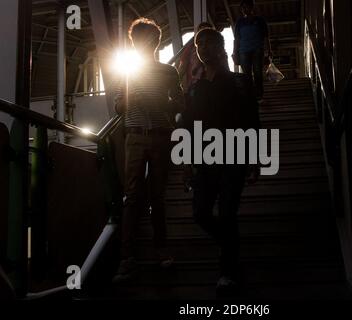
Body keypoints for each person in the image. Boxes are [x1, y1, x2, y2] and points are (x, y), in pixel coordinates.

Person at [182, 28, 260, 295]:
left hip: (235, 155)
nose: (203, 47)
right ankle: (230, 247)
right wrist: (186, 162)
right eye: (198, 44)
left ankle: (227, 271)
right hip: (205, 159)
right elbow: (190, 128)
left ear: (221, 47)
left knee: (227, 213)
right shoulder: (195, 89)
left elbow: (253, 120)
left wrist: (256, 159)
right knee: (200, 214)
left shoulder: (241, 82)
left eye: (209, 43)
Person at [113, 18, 184, 283]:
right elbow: (118, 107)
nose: (141, 44)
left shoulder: (169, 72)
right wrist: (132, 99)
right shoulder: (127, 74)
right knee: (132, 197)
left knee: (156, 197)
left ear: (155, 42)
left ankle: (155, 251)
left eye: (145, 40)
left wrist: (160, 103)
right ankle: (128, 257)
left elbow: (180, 104)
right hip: (136, 137)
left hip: (159, 137)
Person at [232, 0, 273, 102]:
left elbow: (266, 37)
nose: (245, 9)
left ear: (252, 7)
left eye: (246, 7)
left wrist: (269, 50)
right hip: (243, 51)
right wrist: (234, 53)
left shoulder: (260, 21)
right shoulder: (239, 23)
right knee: (246, 75)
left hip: (257, 50)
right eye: (243, 8)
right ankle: (250, 95)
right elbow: (236, 39)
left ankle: (259, 95)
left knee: (258, 72)